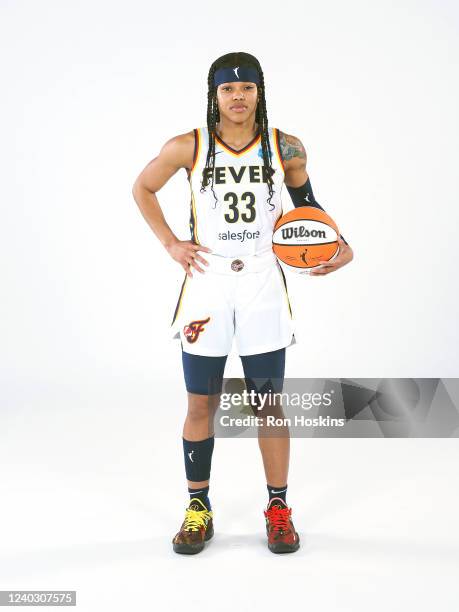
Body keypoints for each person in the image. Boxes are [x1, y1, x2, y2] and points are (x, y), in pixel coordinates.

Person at [132, 51, 354, 555]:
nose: (238, 97)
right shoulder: (187, 146)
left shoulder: (285, 147)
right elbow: (143, 188)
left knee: (268, 402)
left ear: (260, 92)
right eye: (228, 89)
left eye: (247, 88)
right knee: (201, 403)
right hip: (207, 279)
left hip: (260, 280)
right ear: (214, 95)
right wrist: (171, 242)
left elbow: (308, 207)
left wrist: (340, 241)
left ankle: (278, 508)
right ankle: (197, 507)